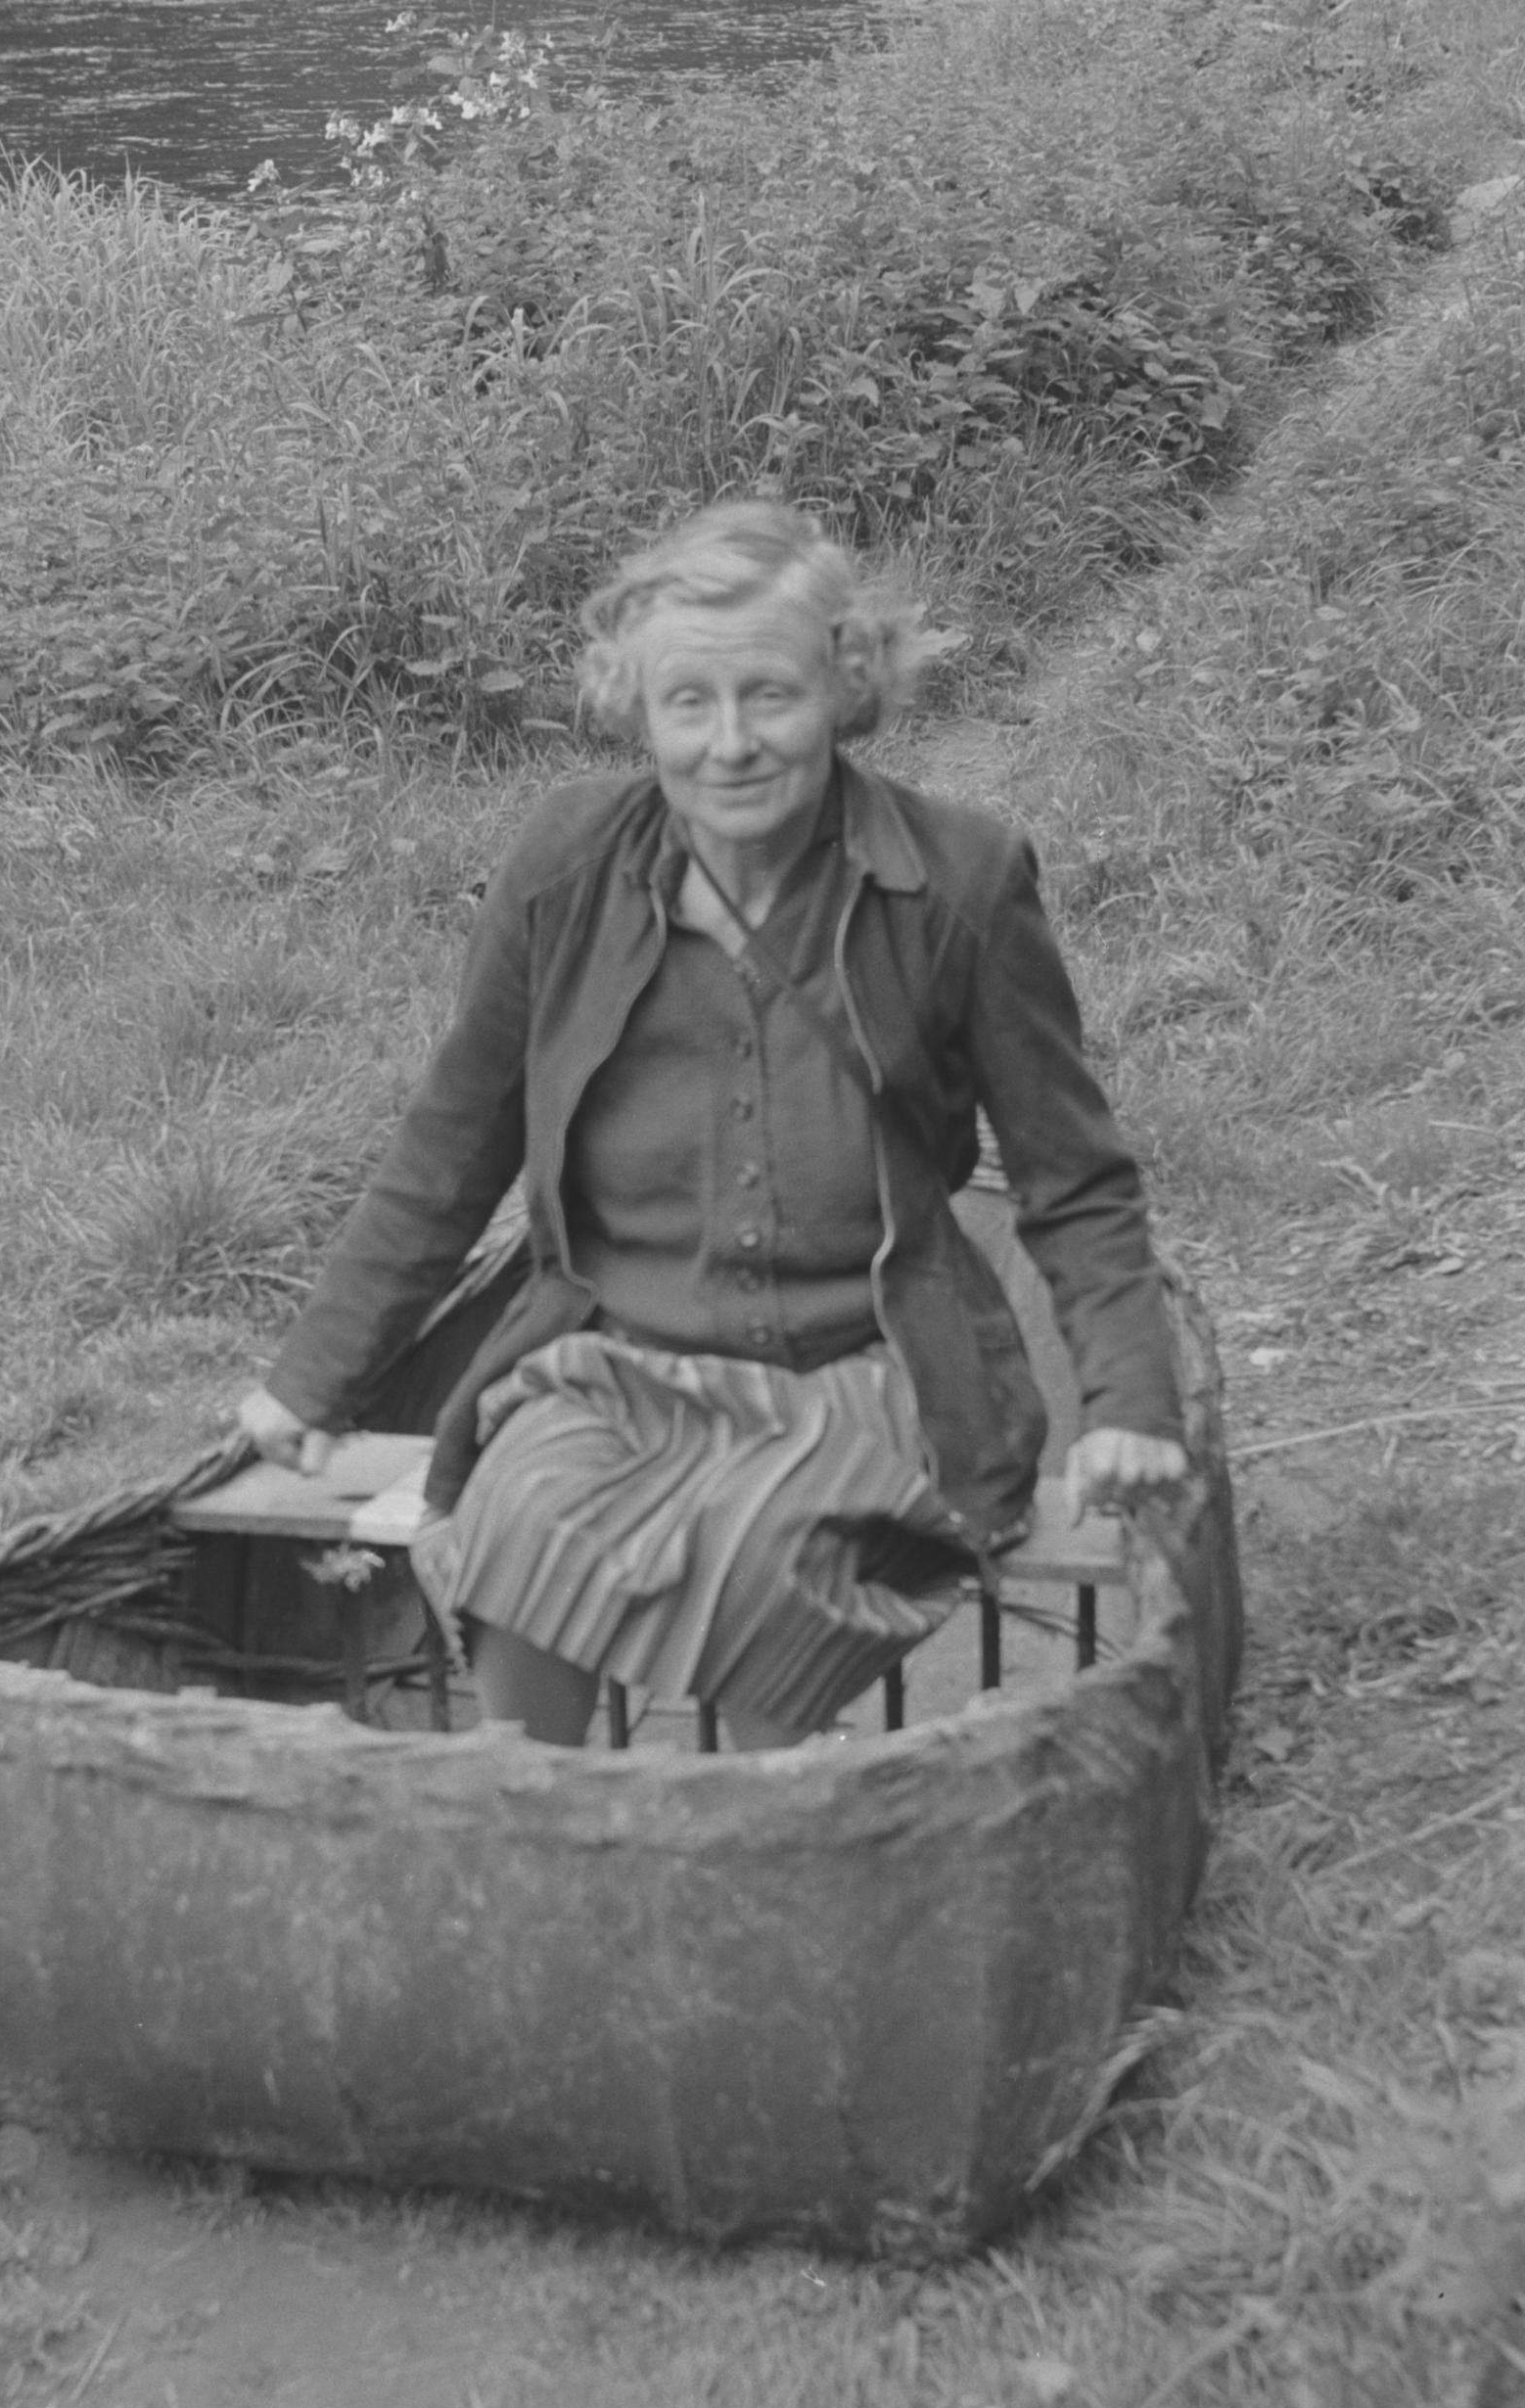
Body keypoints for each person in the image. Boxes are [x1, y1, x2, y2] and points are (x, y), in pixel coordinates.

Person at [239, 500, 1186, 1748]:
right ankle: (538, 1822)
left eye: (770, 697)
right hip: (615, 1363)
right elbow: (451, 1148)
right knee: (518, 1523)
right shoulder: (567, 867)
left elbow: (1075, 1182)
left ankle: (754, 1842)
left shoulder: (958, 879)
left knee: (763, 1559)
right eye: (690, 702)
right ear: (637, 706)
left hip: (865, 1370)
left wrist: (1128, 1406)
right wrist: (312, 1381)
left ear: (844, 691)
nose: (730, 743)